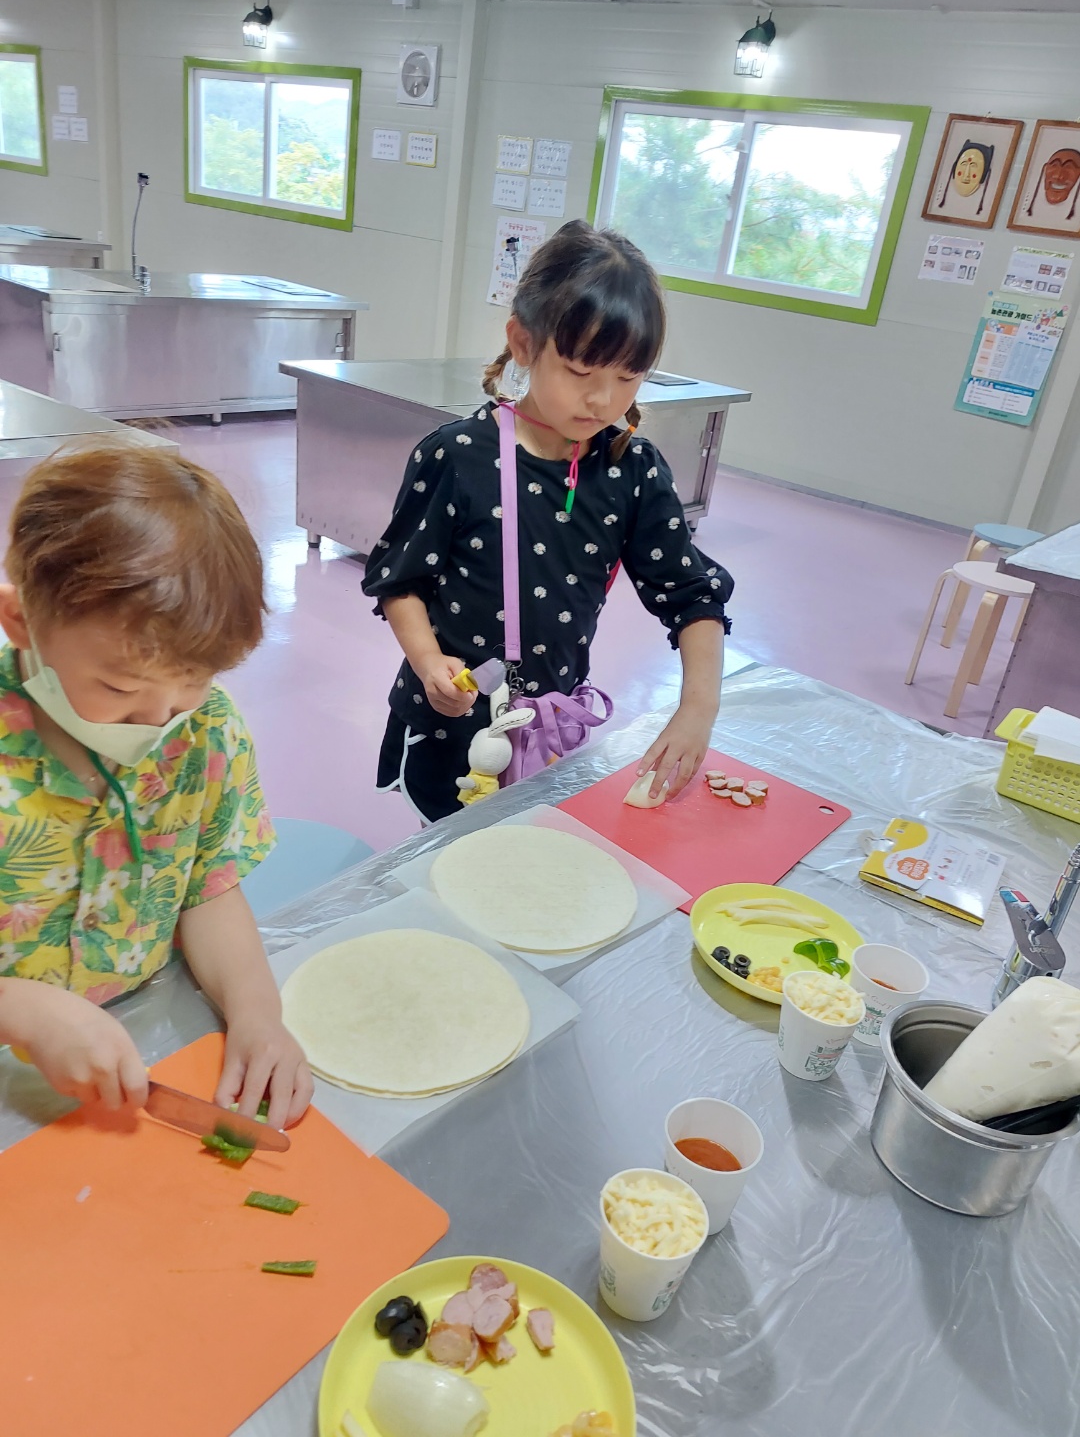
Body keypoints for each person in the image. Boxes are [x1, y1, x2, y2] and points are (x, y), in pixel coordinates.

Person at [363, 218, 733, 823]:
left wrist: (698, 707)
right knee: (448, 856)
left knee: (525, 857)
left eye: (627, 377)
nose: (603, 401)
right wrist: (430, 662)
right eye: (582, 373)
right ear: (524, 344)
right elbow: (401, 579)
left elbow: (691, 595)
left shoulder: (632, 468)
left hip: (549, 733)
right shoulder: (456, 456)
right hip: (452, 726)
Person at [0, 443, 313, 1128]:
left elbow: (207, 886)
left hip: (149, 1033)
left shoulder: (205, 735)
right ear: (21, 620)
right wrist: (17, 1007)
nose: (155, 719)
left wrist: (257, 1013)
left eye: (191, 687)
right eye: (118, 687)